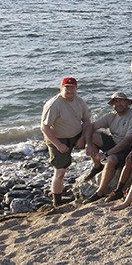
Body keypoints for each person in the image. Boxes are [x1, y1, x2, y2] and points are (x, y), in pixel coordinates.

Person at [41, 77, 91, 207]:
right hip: (58, 138)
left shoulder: (80, 102)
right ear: (61, 88)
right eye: (66, 88)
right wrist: (58, 145)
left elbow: (87, 121)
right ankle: (57, 201)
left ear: (76, 89)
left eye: (72, 88)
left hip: (76, 134)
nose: (70, 90)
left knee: (96, 136)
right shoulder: (54, 104)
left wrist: (83, 138)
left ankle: (98, 167)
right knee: (60, 172)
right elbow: (44, 127)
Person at [82, 92, 132, 204]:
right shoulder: (111, 116)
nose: (118, 104)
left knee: (111, 160)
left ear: (127, 103)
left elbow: (127, 141)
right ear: (112, 104)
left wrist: (107, 154)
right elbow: (90, 126)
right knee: (93, 135)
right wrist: (89, 144)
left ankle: (100, 192)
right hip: (114, 142)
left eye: (121, 100)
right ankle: (97, 166)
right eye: (115, 101)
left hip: (127, 148)